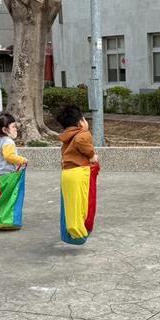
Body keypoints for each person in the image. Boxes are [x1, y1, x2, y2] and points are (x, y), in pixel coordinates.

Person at [56, 104, 100, 245]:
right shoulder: (82, 133)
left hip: (66, 172)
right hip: (78, 172)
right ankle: (78, 233)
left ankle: (69, 232)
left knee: (70, 205)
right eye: (85, 119)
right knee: (81, 204)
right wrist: (92, 156)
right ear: (81, 123)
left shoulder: (67, 136)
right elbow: (81, 141)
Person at [0, 112, 27, 230]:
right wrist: (22, 160)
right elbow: (9, 156)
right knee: (9, 200)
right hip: (7, 177)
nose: (16, 129)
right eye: (13, 126)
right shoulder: (8, 142)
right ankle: (6, 220)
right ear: (4, 129)